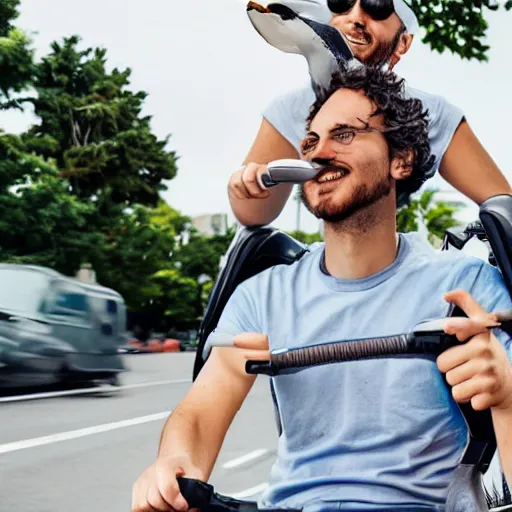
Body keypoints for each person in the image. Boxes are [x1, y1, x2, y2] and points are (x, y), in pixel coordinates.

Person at [131, 66, 512, 512]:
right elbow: (199, 412)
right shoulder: (264, 295)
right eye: (309, 142)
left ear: (401, 159)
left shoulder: (465, 285)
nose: (318, 154)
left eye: (345, 134)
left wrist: (505, 397)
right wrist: (173, 464)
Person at [229, 0, 511, 226]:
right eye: (341, 3)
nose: (355, 18)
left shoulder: (433, 113)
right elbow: (254, 214)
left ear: (403, 43)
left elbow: (501, 204)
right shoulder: (290, 108)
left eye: (377, 7)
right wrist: (247, 184)